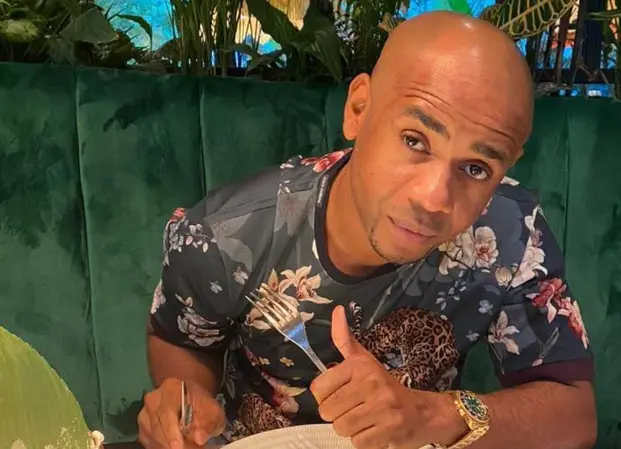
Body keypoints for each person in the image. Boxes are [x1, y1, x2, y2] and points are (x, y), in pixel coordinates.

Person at [138, 10, 596, 449]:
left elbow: (574, 416)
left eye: (476, 168)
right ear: (359, 108)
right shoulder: (224, 235)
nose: (433, 199)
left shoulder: (512, 234)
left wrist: (433, 415)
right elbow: (179, 339)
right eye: (414, 140)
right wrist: (187, 402)